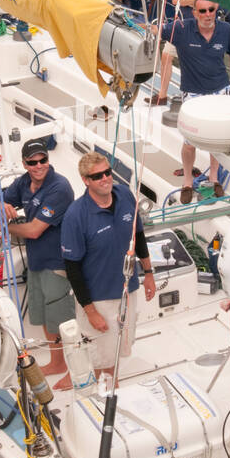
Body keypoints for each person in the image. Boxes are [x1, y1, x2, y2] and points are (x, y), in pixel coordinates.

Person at [58, 151, 156, 389]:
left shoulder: (124, 195)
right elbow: (72, 268)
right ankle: (107, 389)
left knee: (120, 345)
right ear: (86, 181)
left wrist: (149, 274)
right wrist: (90, 311)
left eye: (107, 172)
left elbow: (138, 235)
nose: (105, 179)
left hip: (127, 289)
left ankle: (110, 382)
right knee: (100, 352)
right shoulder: (75, 215)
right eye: (97, 176)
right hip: (99, 297)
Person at [0, 140, 75, 374]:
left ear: (48, 159)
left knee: (63, 320)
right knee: (46, 316)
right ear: (25, 164)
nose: (39, 166)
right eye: (32, 162)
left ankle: (75, 369)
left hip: (57, 262)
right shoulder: (24, 183)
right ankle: (58, 364)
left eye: (43, 160)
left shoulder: (60, 188)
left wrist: (3, 228)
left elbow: (35, 230)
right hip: (37, 261)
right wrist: (2, 206)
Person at [150, 0, 230, 201]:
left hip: (221, 91)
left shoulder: (226, 30)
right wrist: (148, 30)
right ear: (194, 13)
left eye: (211, 10)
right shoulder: (182, 28)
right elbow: (157, 30)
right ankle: (187, 182)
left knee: (217, 140)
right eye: (203, 11)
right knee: (189, 142)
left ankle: (214, 178)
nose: (208, 14)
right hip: (192, 94)